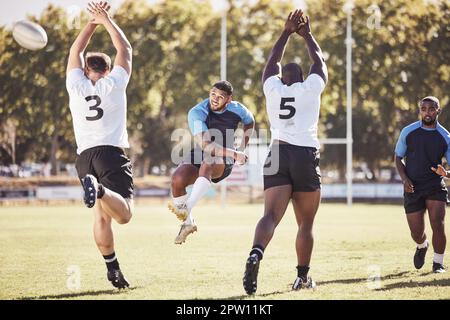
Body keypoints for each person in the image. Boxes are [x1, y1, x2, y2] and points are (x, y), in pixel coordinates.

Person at [243, 10, 327, 295]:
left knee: (270, 216)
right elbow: (320, 61)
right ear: (302, 77)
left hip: (277, 153)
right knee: (305, 223)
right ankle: (302, 277)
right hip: (304, 154)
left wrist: (286, 32)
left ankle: (256, 253)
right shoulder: (310, 88)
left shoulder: (272, 89)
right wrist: (307, 34)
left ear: (281, 78)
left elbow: (271, 62)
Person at [66, 1, 134, 288]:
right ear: (107, 70)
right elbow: (125, 50)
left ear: (85, 70)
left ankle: (112, 269)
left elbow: (75, 51)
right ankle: (101, 188)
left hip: (84, 158)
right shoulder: (113, 83)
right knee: (125, 216)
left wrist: (91, 24)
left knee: (101, 218)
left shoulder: (75, 85)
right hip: (109, 153)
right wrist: (105, 20)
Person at [169, 80, 255, 244]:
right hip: (205, 151)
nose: (215, 99)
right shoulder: (197, 112)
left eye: (220, 97)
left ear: (228, 100)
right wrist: (236, 153)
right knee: (177, 179)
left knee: (208, 162)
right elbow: (206, 145)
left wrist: (242, 147)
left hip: (223, 159)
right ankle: (188, 223)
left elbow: (250, 121)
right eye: (213, 94)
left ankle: (186, 207)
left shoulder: (238, 109)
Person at [394, 96, 448, 273]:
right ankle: (422, 245)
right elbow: (398, 158)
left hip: (434, 186)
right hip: (413, 187)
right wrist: (404, 179)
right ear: (420, 110)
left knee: (437, 223)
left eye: (431, 109)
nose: (427, 112)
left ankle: (438, 263)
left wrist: (445, 173)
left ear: (438, 110)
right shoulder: (408, 132)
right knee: (416, 232)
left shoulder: (445, 137)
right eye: (423, 109)